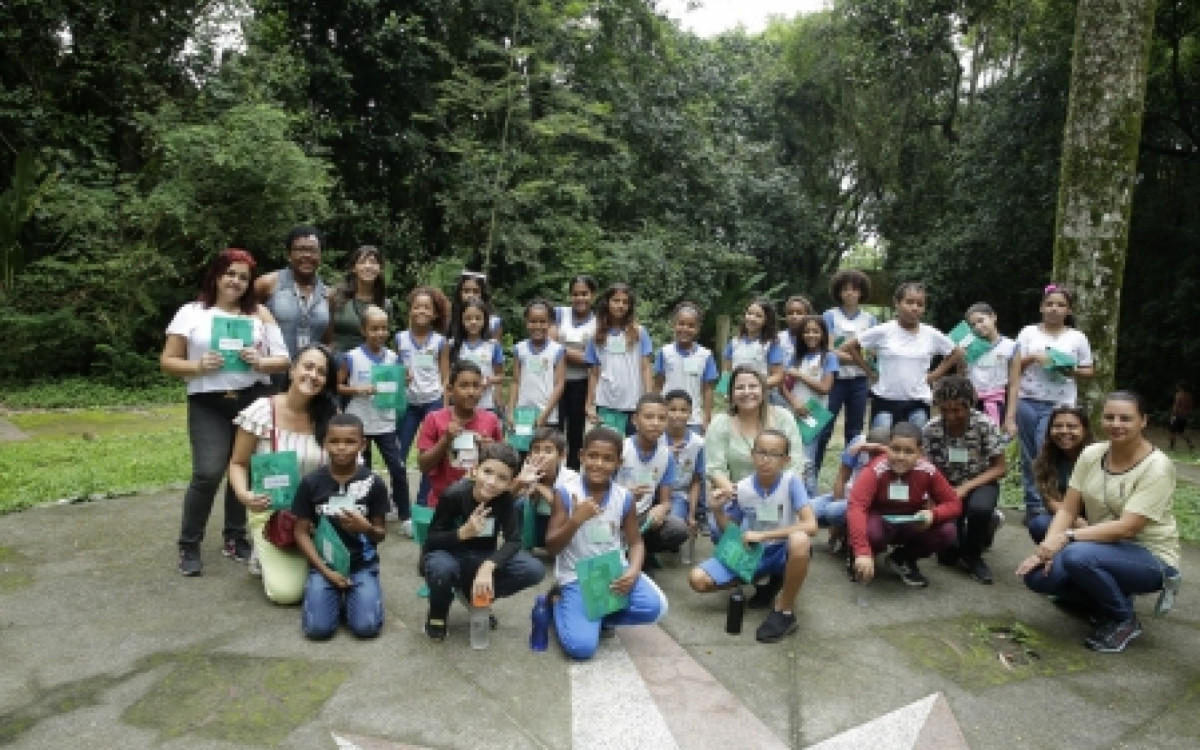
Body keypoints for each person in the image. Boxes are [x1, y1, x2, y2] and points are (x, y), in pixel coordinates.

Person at [160, 248, 290, 576]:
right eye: (230, 274)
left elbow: (284, 359)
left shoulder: (260, 314)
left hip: (255, 399)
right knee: (208, 471)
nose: (236, 281)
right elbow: (167, 362)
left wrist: (260, 362)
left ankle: (234, 536)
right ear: (217, 275)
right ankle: (189, 543)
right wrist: (197, 365)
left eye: (243, 277)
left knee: (243, 468)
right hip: (208, 400)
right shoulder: (191, 312)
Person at [1017, 391, 1180, 653]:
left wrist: (1065, 538)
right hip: (1100, 546)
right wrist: (1046, 549)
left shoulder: (1157, 467)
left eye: (1125, 418)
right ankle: (1102, 598)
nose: (1116, 424)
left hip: (1150, 557)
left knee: (1076, 556)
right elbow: (1068, 510)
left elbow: (1127, 527)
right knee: (1037, 578)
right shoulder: (1093, 453)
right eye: (1110, 417)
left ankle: (1123, 618)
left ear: (1144, 421)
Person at [228, 344, 339, 603]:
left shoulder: (331, 416)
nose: (313, 375)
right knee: (288, 593)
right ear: (292, 370)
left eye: (321, 372)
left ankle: (300, 558)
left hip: (318, 514)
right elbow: (238, 463)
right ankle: (264, 549)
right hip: (274, 513)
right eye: (308, 367)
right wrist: (244, 495)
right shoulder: (262, 410)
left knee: (343, 571)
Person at [545, 427, 668, 661]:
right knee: (581, 649)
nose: (599, 464)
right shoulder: (565, 494)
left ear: (619, 462)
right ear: (581, 456)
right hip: (576, 577)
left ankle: (597, 616)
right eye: (592, 456)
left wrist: (632, 571)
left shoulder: (624, 497)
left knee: (656, 608)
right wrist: (575, 520)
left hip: (611, 573)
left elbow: (635, 543)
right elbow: (552, 547)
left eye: (607, 458)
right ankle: (557, 602)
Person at [689, 430, 817, 643]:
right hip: (754, 552)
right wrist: (718, 511)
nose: (766, 459)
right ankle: (761, 578)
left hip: (783, 550)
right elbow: (731, 531)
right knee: (698, 580)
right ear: (752, 455)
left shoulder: (791, 482)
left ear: (786, 460)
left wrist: (764, 534)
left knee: (801, 539)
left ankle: (784, 610)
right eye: (761, 452)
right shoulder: (743, 488)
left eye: (775, 454)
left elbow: (811, 525)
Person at [422, 442, 547, 641]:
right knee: (441, 569)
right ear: (474, 470)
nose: (491, 482)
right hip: (449, 555)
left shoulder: (504, 499)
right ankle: (438, 611)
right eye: (487, 472)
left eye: (502, 478)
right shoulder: (453, 495)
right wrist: (462, 533)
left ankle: (477, 599)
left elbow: (513, 541)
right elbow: (431, 540)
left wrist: (489, 566)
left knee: (534, 569)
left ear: (509, 483)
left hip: (481, 558)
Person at [291, 414, 389, 639]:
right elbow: (300, 532)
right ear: (324, 443)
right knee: (318, 631)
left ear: (362, 445)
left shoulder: (373, 484)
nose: (341, 448)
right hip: (325, 565)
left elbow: (380, 534)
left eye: (350, 442)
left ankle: (360, 598)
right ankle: (329, 597)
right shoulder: (311, 483)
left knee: (366, 629)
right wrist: (326, 571)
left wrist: (365, 528)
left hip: (361, 565)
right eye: (334, 441)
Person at [1008, 284, 1095, 525]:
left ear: (1069, 310)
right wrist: (1034, 357)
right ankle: (1033, 506)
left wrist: (1070, 369)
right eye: (1050, 304)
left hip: (1060, 404)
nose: (1054, 309)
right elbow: (1013, 365)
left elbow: (1090, 370)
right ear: (1041, 307)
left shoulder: (1077, 337)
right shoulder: (1027, 333)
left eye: (1060, 305)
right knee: (1028, 454)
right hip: (1027, 399)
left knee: (1046, 450)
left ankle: (1053, 502)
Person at [847, 423, 962, 588]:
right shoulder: (874, 470)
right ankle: (857, 556)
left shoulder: (928, 470)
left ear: (919, 452)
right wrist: (862, 551)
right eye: (895, 449)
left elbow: (953, 503)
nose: (900, 456)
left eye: (909, 452)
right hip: (878, 519)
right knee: (872, 533)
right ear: (887, 448)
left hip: (911, 521)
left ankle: (902, 558)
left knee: (947, 531)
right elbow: (857, 507)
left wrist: (933, 515)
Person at [922, 376, 1007, 584]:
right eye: (944, 410)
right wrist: (931, 496)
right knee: (947, 557)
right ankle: (977, 530)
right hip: (946, 487)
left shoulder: (984, 424)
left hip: (980, 482)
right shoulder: (931, 428)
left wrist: (966, 487)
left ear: (970, 405)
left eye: (957, 410)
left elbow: (1000, 467)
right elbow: (926, 467)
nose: (951, 416)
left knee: (979, 510)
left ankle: (974, 555)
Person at [842, 282, 961, 430]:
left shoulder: (931, 334)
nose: (915, 308)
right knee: (881, 444)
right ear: (897, 303)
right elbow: (850, 346)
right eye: (909, 302)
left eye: (920, 304)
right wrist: (869, 371)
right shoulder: (883, 331)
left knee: (915, 446)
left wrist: (935, 375)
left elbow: (956, 352)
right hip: (885, 399)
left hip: (918, 400)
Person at [337, 305, 409, 531]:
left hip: (385, 423)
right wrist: (358, 389)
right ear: (363, 330)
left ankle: (405, 514)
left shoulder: (393, 357)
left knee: (398, 469)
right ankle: (364, 512)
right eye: (374, 328)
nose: (380, 333)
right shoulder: (351, 357)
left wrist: (404, 381)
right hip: (360, 423)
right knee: (362, 471)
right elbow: (337, 386)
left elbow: (399, 387)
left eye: (384, 328)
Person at [706, 366, 806, 511]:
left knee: (795, 531)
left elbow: (795, 465)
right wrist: (743, 497)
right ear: (731, 394)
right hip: (736, 499)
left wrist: (777, 500)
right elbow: (715, 469)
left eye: (753, 386)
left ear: (764, 391)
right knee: (726, 531)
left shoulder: (783, 418)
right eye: (740, 387)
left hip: (780, 498)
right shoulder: (720, 424)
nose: (747, 392)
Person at [416, 361, 504, 508]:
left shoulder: (491, 420)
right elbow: (423, 465)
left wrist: (490, 451)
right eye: (464, 386)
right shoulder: (434, 419)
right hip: (442, 501)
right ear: (450, 390)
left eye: (476, 386)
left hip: (481, 502)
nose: (471, 392)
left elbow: (503, 465)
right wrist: (445, 440)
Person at [395, 286, 452, 508]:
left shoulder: (440, 341)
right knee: (399, 453)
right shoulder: (400, 339)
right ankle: (399, 502)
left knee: (430, 454)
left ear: (435, 314)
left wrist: (445, 408)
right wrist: (401, 376)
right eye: (417, 306)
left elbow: (446, 377)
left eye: (427, 307)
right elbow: (395, 369)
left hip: (433, 402)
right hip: (408, 403)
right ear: (410, 310)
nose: (421, 311)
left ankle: (423, 501)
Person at [819, 270, 878, 478]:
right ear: (839, 292)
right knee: (824, 429)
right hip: (834, 380)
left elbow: (873, 353)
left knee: (854, 432)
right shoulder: (828, 316)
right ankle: (812, 475)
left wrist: (845, 353)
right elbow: (827, 350)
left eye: (854, 289)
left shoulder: (870, 319)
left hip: (859, 382)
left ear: (861, 293)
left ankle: (852, 480)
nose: (850, 293)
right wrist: (857, 357)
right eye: (845, 290)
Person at [617, 394, 690, 555]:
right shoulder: (621, 449)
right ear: (635, 420)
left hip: (642, 516)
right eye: (649, 417)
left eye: (661, 418)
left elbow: (665, 501)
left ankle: (643, 550)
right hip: (614, 515)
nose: (655, 423)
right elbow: (598, 491)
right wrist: (623, 496)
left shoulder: (666, 456)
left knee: (678, 529)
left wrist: (661, 509)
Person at [809, 426, 891, 555]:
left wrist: (881, 449)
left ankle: (848, 535)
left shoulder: (894, 455)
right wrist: (834, 522)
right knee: (808, 509)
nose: (873, 456)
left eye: (877, 453)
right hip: (848, 495)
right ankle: (840, 529)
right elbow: (841, 478)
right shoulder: (857, 443)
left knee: (833, 511)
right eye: (870, 453)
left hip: (868, 504)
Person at [584, 284, 653, 435]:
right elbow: (594, 373)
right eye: (616, 300)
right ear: (607, 303)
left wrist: (649, 399)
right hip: (606, 404)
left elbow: (646, 367)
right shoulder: (596, 335)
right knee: (609, 449)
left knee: (632, 449)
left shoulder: (639, 332)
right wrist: (589, 404)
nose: (620, 305)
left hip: (633, 403)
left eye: (625, 302)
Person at [782, 315, 839, 495]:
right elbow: (783, 385)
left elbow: (825, 388)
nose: (811, 335)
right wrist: (794, 402)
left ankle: (810, 502)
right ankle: (795, 498)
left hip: (814, 415)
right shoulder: (795, 357)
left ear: (823, 334)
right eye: (806, 331)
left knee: (807, 459)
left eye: (816, 331)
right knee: (792, 456)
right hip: (794, 411)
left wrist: (799, 375)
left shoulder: (829, 358)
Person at [256, 226, 331, 360]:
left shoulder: (328, 295)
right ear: (289, 254)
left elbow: (327, 341)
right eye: (300, 249)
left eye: (313, 250)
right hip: (271, 372)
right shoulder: (266, 284)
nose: (307, 255)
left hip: (309, 375)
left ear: (320, 255)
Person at [1027, 405, 1094, 543]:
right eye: (1057, 426)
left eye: (1071, 426)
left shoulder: (1099, 457)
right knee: (1039, 524)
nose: (1064, 431)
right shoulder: (1045, 460)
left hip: (1099, 521)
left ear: (1085, 430)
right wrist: (1075, 521)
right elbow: (1050, 500)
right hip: (1068, 519)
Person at [551, 274, 598, 469]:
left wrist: (562, 350)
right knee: (555, 429)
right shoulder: (559, 313)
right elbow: (550, 345)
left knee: (577, 433)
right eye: (576, 294)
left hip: (582, 384)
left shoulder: (598, 322)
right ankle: (553, 469)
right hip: (556, 382)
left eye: (584, 294)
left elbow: (595, 360)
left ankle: (572, 472)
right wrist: (582, 355)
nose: (580, 298)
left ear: (593, 295)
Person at [653, 301, 719, 432]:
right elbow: (658, 385)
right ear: (674, 324)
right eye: (681, 324)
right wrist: (655, 410)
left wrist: (707, 417)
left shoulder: (705, 355)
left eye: (691, 326)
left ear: (698, 328)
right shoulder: (665, 352)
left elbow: (707, 389)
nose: (685, 329)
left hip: (692, 419)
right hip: (667, 416)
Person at [508, 299, 566, 430]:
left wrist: (544, 415)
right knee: (522, 450)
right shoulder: (519, 348)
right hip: (523, 414)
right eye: (533, 321)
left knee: (545, 449)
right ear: (526, 322)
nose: (537, 326)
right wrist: (511, 411)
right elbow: (515, 382)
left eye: (542, 322)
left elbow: (559, 384)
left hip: (548, 416)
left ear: (550, 323)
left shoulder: (557, 350)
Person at [518, 427, 580, 549]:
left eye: (548, 451)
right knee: (520, 504)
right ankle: (524, 545)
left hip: (559, 528)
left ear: (561, 455)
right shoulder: (527, 472)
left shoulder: (571, 478)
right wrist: (521, 483)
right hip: (539, 524)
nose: (541, 456)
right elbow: (509, 497)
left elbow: (571, 511)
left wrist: (538, 486)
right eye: (536, 450)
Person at [960, 302, 1017, 433]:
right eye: (973, 325)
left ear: (993, 317)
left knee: (995, 445)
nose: (978, 327)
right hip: (971, 403)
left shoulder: (1010, 346)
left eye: (981, 320)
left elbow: (1014, 384)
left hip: (997, 404)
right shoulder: (968, 347)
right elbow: (962, 377)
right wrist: (960, 358)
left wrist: (1010, 418)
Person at [441, 298, 505, 414]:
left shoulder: (493, 345)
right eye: (468, 318)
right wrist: (445, 407)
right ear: (461, 320)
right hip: (459, 406)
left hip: (486, 405)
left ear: (485, 320)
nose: (473, 322)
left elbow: (500, 376)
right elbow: (447, 378)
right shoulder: (452, 344)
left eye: (478, 318)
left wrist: (488, 380)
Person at [328, 245, 391, 356]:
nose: (368, 266)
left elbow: (383, 340)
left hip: (369, 363)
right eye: (362, 262)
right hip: (337, 361)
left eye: (373, 262)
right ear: (354, 268)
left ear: (380, 268)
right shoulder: (335, 296)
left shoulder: (385, 304)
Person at [661, 390, 706, 542]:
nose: (677, 415)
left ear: (690, 413)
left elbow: (695, 481)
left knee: (675, 526)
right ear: (664, 411)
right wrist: (666, 456)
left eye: (683, 410)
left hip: (678, 495)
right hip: (653, 493)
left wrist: (691, 515)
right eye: (672, 409)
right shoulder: (657, 438)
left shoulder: (698, 443)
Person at [722, 297, 785, 397]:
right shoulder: (734, 342)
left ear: (766, 320)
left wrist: (755, 387)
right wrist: (725, 392)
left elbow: (778, 376)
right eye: (749, 313)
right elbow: (726, 371)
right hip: (737, 396)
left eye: (758, 316)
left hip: (761, 397)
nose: (752, 318)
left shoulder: (770, 345)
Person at [452, 269, 503, 339]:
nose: (470, 295)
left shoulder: (493, 322)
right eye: (466, 291)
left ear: (482, 294)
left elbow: (496, 348)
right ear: (460, 293)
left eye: (476, 292)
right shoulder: (451, 318)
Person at [776, 295, 815, 366]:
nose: (794, 317)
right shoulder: (778, 339)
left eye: (799, 313)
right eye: (790, 313)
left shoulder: (815, 339)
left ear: (808, 315)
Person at [1169, 382, 1194, 451]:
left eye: (1178, 386)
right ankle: (1189, 443)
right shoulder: (1189, 396)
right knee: (1181, 431)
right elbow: (1190, 407)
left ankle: (1172, 447)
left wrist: (1173, 415)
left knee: (1173, 431)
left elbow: (1176, 406)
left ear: (1180, 388)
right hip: (1184, 416)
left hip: (1178, 415)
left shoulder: (1179, 395)